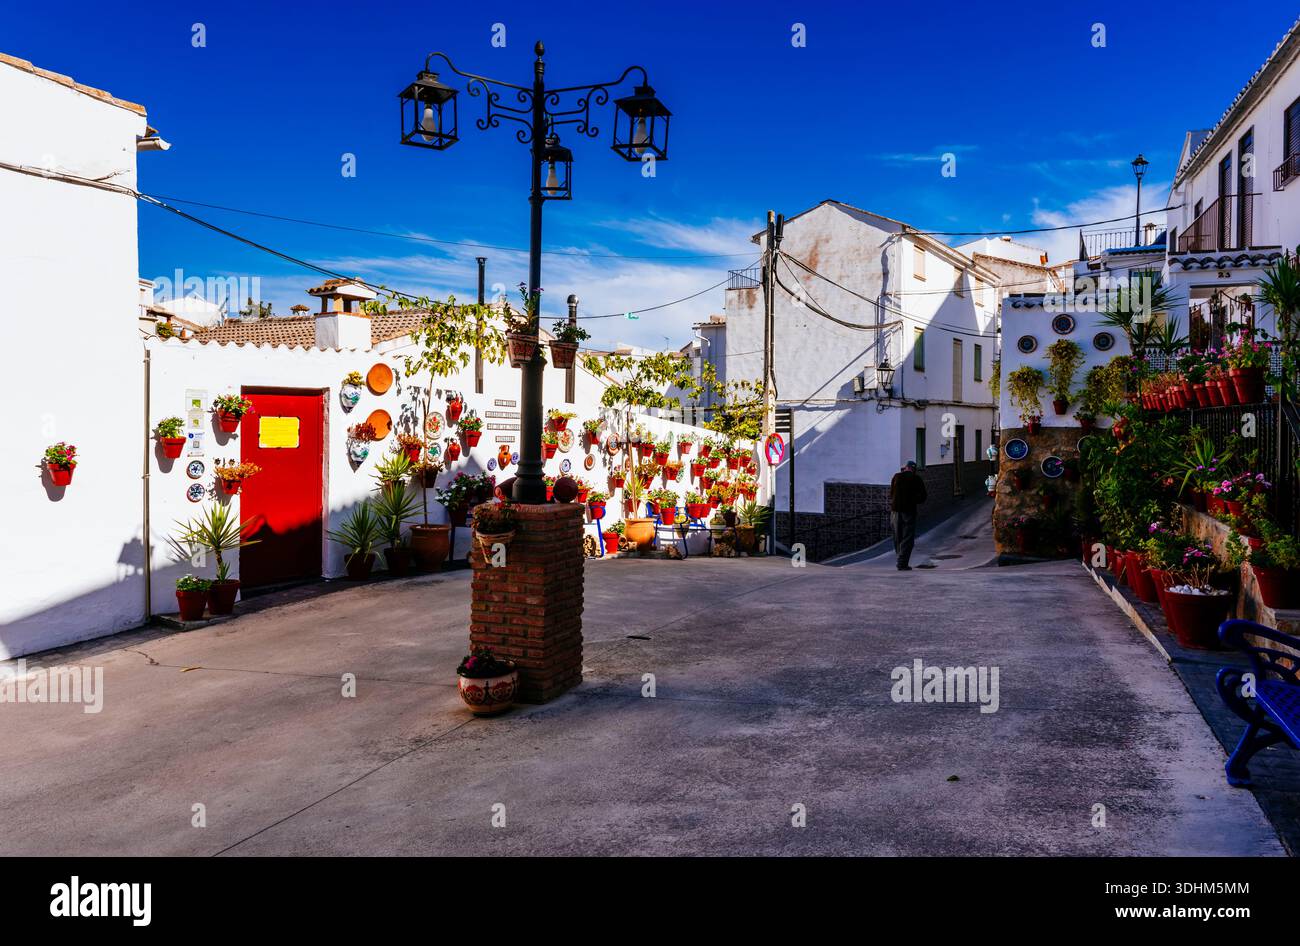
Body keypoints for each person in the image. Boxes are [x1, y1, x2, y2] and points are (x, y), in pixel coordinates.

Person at [889, 460, 927, 570]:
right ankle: (902, 563)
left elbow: (891, 493)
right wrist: (913, 500)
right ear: (913, 470)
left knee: (897, 536)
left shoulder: (896, 477)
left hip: (895, 511)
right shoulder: (916, 479)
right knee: (908, 538)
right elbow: (923, 496)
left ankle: (899, 558)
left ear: (905, 468)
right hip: (909, 511)